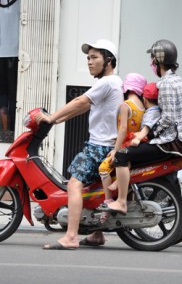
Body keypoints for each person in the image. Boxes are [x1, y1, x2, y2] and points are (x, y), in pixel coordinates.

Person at [35, 39, 123, 250]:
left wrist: (52, 116)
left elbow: (80, 102)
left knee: (74, 184)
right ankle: (96, 233)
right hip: (107, 145)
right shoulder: (113, 82)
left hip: (99, 146)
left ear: (108, 60)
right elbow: (83, 108)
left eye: (94, 58)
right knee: (92, 189)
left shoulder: (106, 82)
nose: (89, 62)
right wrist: (56, 120)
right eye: (88, 58)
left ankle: (71, 237)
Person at [99, 39, 182, 215]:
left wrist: (146, 136)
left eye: (152, 60)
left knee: (121, 155)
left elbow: (168, 118)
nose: (151, 64)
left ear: (158, 61)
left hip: (172, 142)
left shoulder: (165, 84)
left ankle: (121, 201)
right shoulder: (177, 80)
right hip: (179, 140)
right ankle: (120, 186)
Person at [98, 72, 147, 222]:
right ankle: (117, 184)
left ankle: (108, 201)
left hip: (125, 143)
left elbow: (123, 129)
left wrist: (116, 149)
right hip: (137, 143)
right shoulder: (142, 107)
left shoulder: (125, 105)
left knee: (103, 169)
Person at [0, 0, 21, 137]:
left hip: (17, 52)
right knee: (2, 94)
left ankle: (12, 129)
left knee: (14, 93)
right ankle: (3, 130)